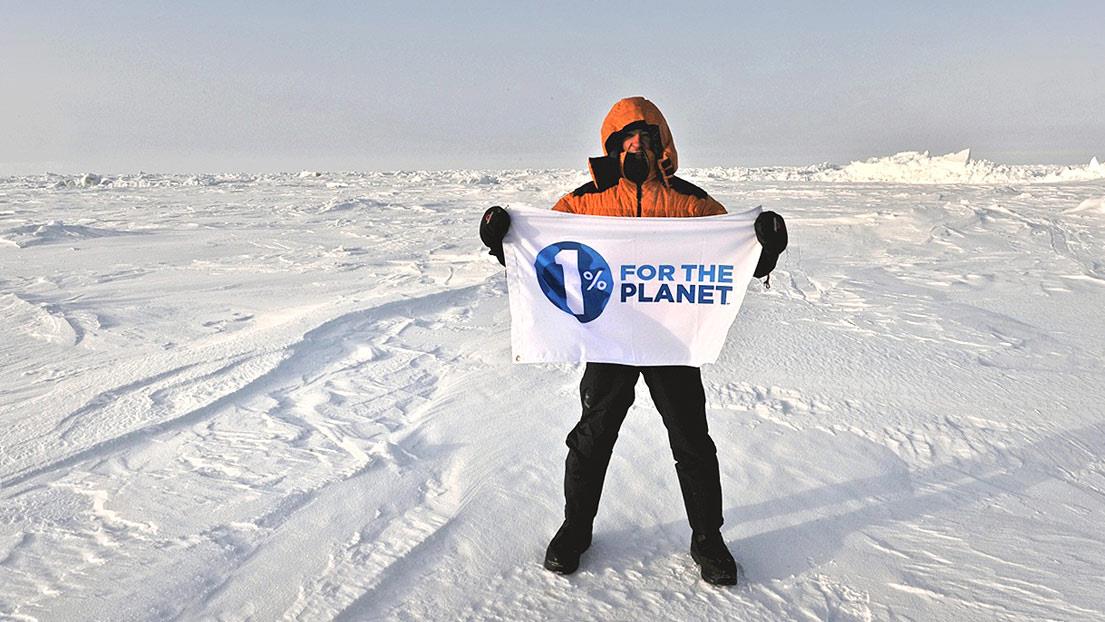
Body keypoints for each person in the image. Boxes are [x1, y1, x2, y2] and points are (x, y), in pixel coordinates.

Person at [479, 97, 787, 586]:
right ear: (611, 145)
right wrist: (503, 240)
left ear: (663, 143)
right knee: (591, 439)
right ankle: (575, 529)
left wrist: (765, 248)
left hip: (672, 345)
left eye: (647, 137)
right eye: (627, 138)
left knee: (692, 442)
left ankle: (707, 537)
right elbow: (544, 259)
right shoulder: (584, 203)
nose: (637, 146)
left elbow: (733, 263)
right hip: (609, 342)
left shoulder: (692, 204)